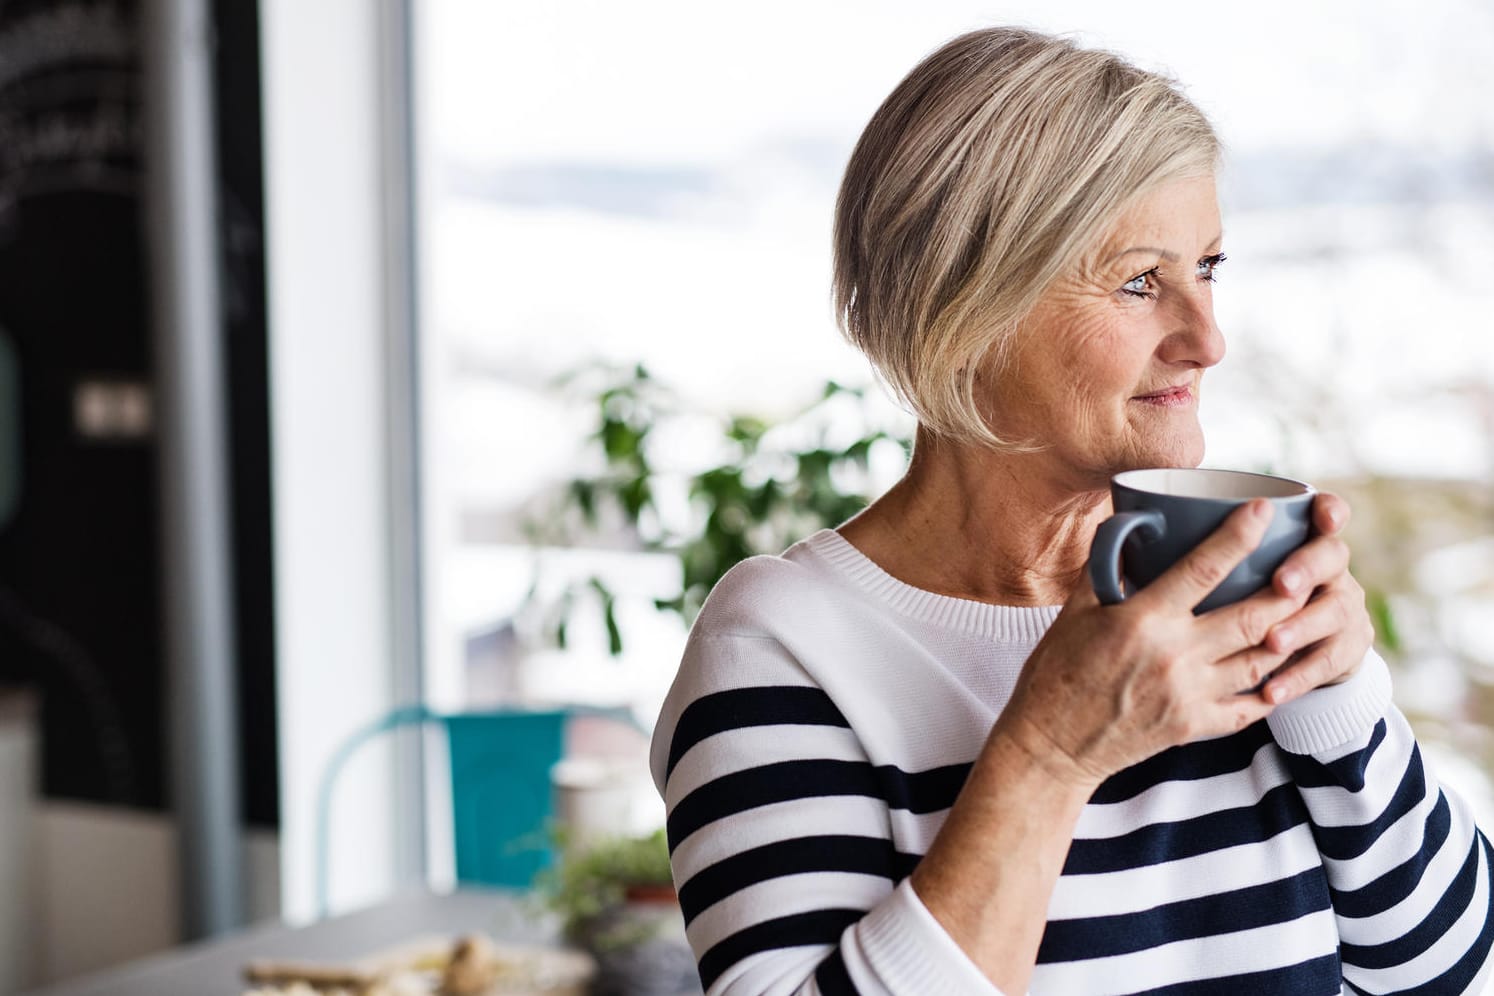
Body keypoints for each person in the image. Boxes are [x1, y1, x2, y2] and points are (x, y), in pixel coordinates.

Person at [649, 26, 1494, 996]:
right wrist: (1048, 755)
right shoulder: (787, 649)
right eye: (1141, 281)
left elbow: (1452, 973)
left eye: (1209, 268)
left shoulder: (1228, 592)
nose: (1208, 339)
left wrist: (1340, 696)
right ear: (965, 308)